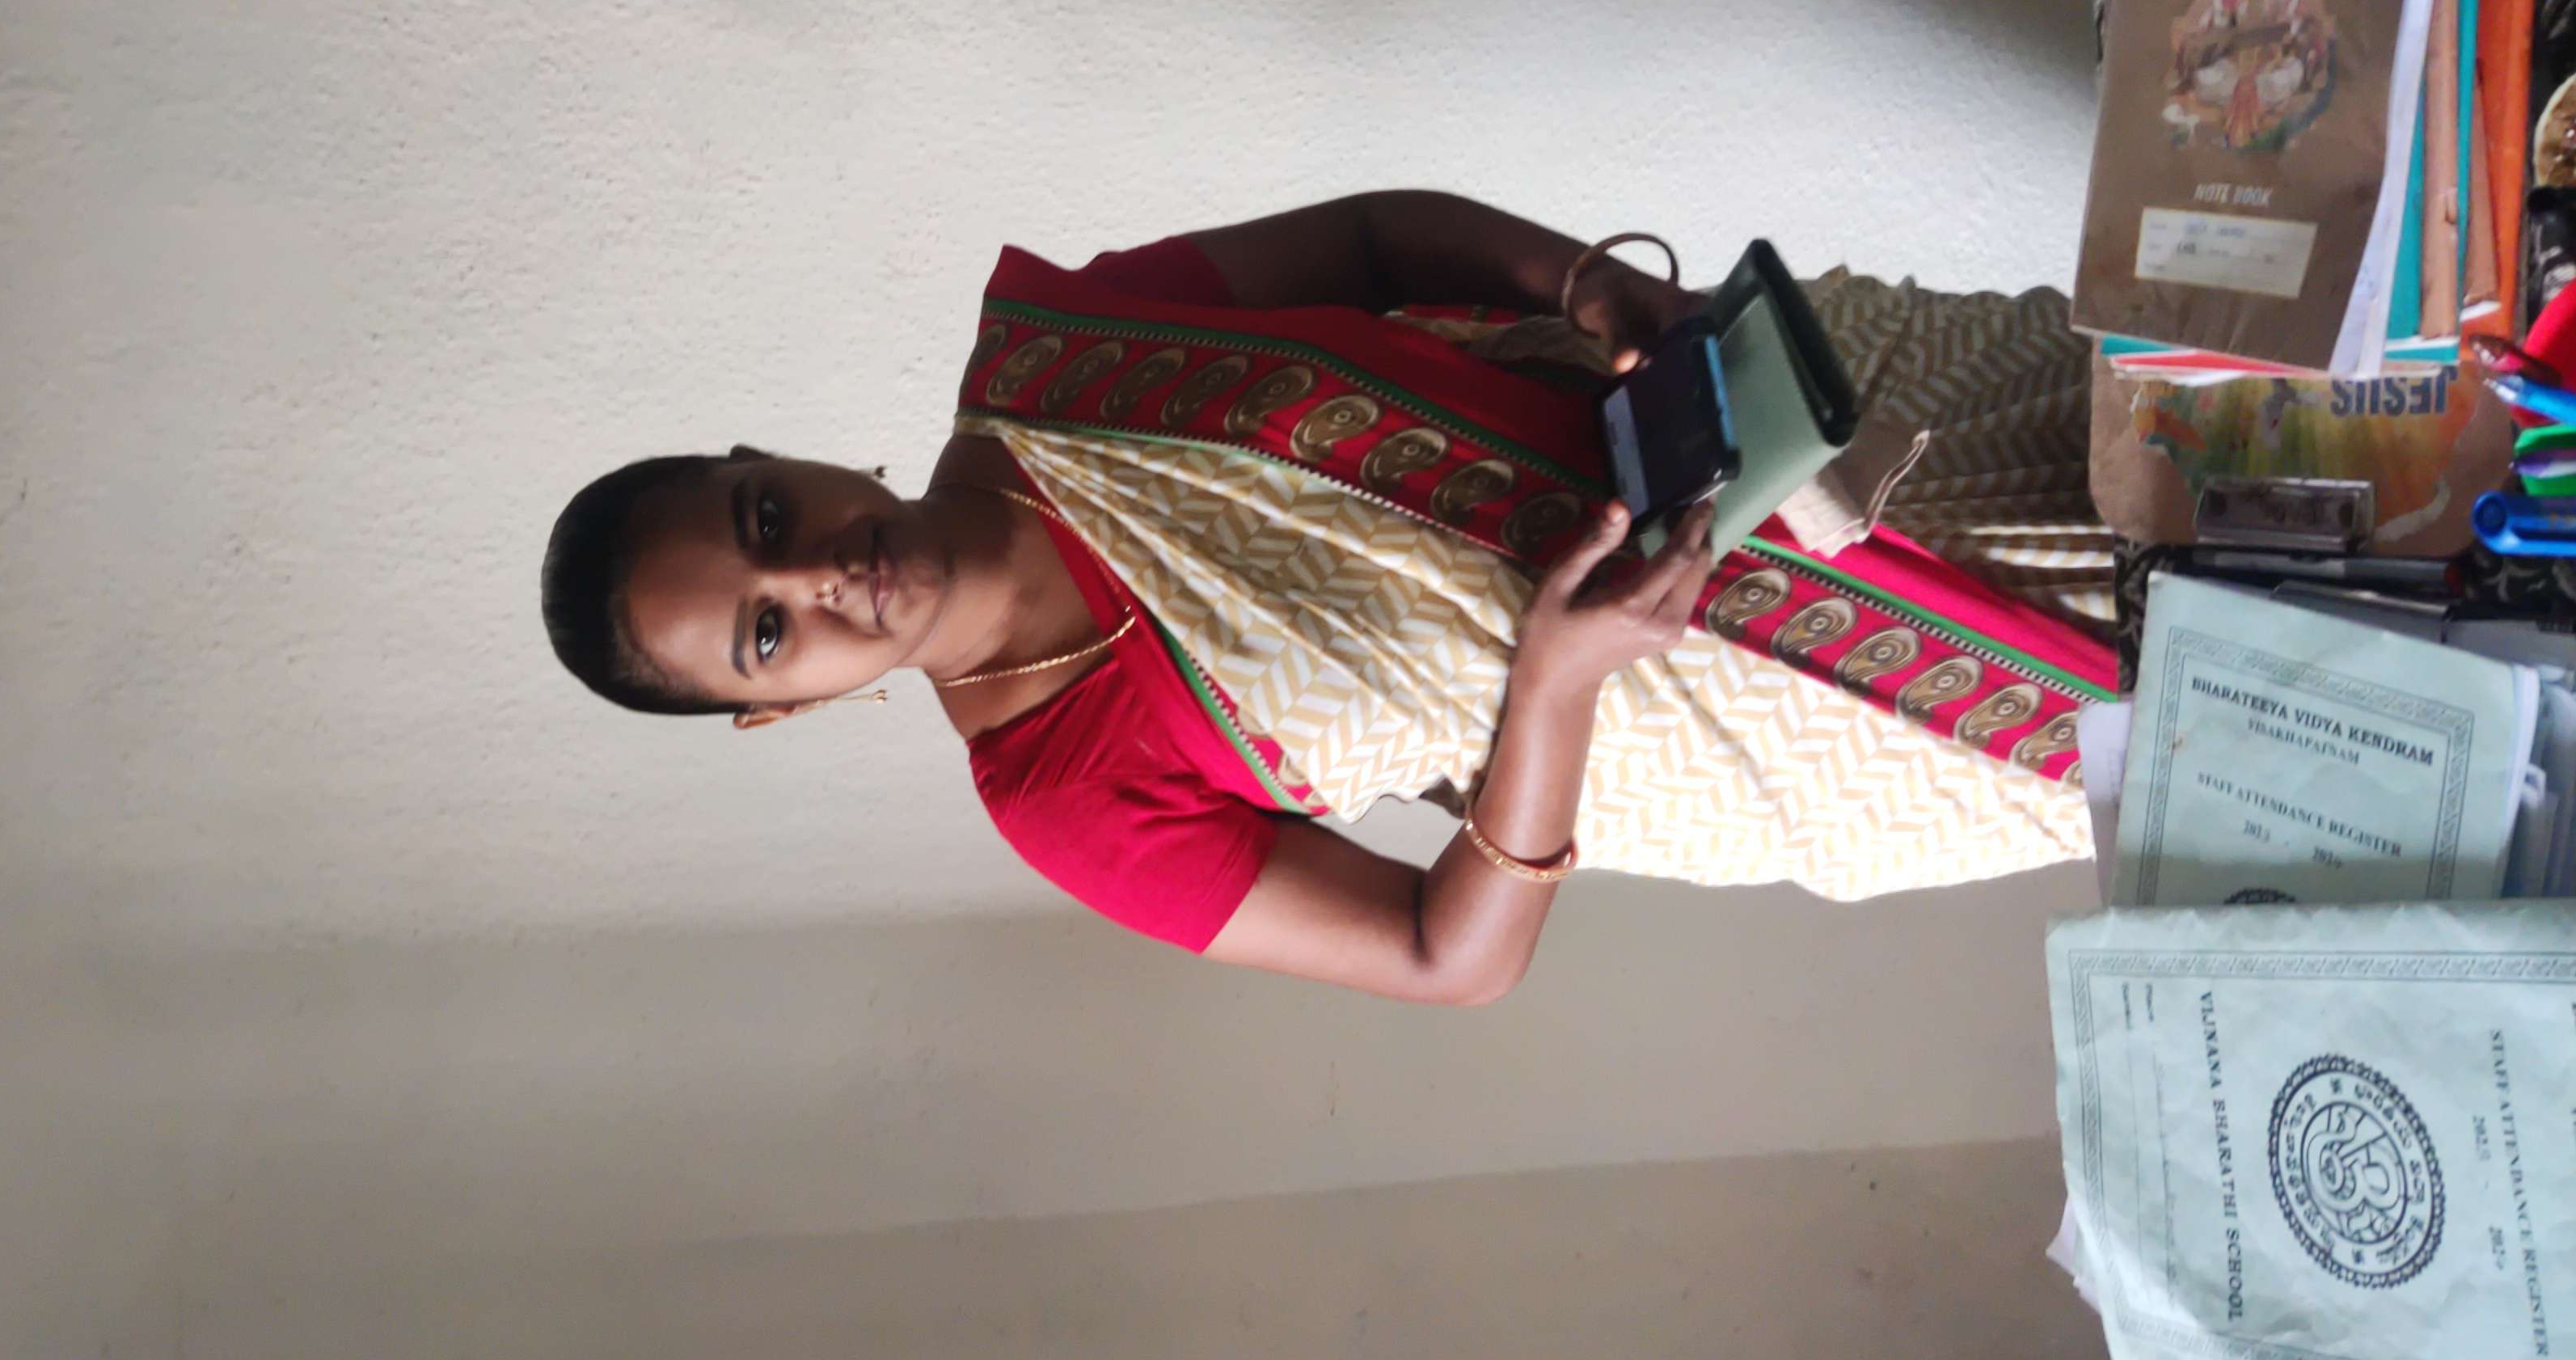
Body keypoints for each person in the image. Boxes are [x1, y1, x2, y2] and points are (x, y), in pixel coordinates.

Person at [541, 192, 2118, 1005]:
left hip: (1807, 413)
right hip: (1798, 711)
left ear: (768, 457)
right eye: (767, 630)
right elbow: (1447, 958)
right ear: (774, 709)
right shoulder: (1061, 795)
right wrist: (1554, 685)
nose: (819, 575)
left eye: (764, 517)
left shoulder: (1058, 355)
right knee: (2214, 675)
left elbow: (1368, 242)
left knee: (2210, 404)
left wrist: (1582, 286)